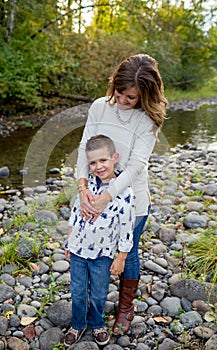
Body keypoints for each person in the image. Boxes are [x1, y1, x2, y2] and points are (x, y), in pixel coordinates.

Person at [76, 54, 168, 335]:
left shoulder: (148, 119)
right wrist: (82, 189)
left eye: (132, 97)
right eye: (120, 93)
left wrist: (109, 196)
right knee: (94, 251)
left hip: (133, 202)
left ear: (146, 95)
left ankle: (126, 307)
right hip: (92, 196)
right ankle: (92, 303)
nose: (124, 101)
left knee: (127, 252)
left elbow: (136, 167)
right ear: (113, 84)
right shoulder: (99, 107)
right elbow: (84, 147)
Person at [64, 135, 136, 347]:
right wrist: (69, 243)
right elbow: (74, 216)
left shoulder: (124, 193)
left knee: (98, 292)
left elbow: (126, 228)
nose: (98, 166)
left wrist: (121, 257)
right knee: (77, 290)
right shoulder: (86, 188)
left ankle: (96, 323)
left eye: (103, 160)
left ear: (114, 158)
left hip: (102, 255)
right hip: (78, 251)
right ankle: (77, 323)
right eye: (93, 163)